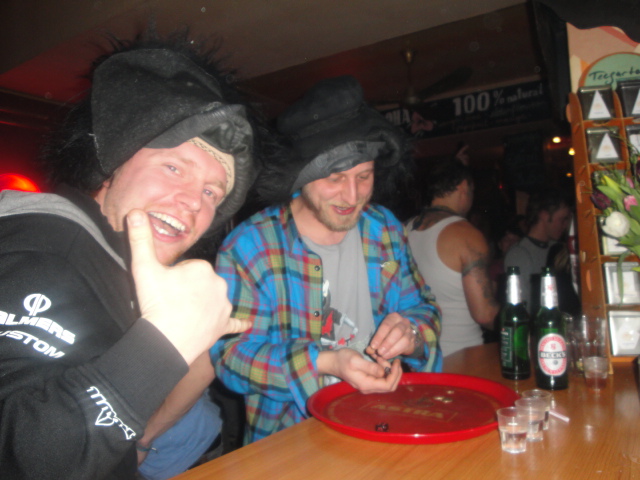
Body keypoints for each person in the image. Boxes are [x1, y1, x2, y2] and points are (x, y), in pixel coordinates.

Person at [0, 30, 262, 480]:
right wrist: (163, 345)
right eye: (174, 167)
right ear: (113, 164)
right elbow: (23, 458)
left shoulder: (119, 263)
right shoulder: (47, 247)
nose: (192, 201)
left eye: (211, 192)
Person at [211, 75, 442, 444]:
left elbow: (424, 307)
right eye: (335, 178)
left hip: (384, 420)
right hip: (291, 442)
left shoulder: (384, 228)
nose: (352, 195)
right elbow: (230, 359)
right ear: (300, 177)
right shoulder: (250, 247)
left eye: (364, 176)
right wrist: (325, 362)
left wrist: (411, 334)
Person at [407, 159, 499, 357]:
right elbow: (485, 314)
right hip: (463, 357)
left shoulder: (404, 229)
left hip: (418, 357)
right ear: (464, 187)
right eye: (472, 191)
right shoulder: (466, 235)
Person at [504, 188, 572, 315]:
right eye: (562, 219)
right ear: (544, 215)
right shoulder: (519, 254)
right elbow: (522, 308)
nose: (565, 226)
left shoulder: (559, 250)